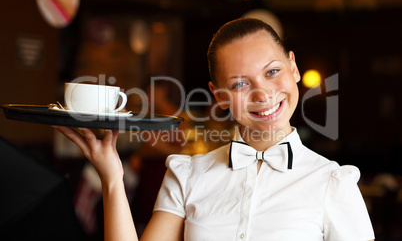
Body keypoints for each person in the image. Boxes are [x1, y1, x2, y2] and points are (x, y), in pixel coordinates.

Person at [55, 18, 375, 240]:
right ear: (220, 96)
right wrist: (111, 177)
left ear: (293, 67)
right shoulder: (188, 174)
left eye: (273, 71)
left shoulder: (333, 183)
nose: (262, 94)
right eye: (239, 84)